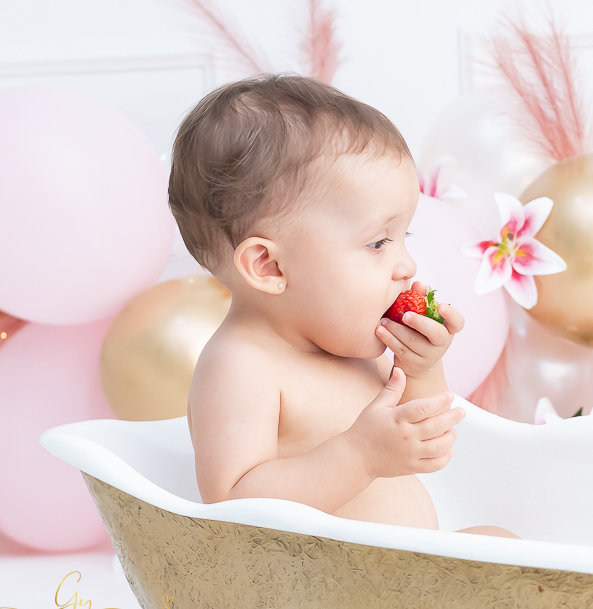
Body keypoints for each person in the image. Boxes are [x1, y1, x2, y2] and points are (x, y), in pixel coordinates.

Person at [169, 73, 517, 539]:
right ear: (269, 266)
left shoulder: (348, 346)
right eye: (378, 242)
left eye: (404, 236)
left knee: (500, 542)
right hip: (320, 583)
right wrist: (357, 456)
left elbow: (427, 441)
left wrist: (420, 369)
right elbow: (234, 506)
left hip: (402, 570)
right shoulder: (241, 366)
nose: (407, 265)